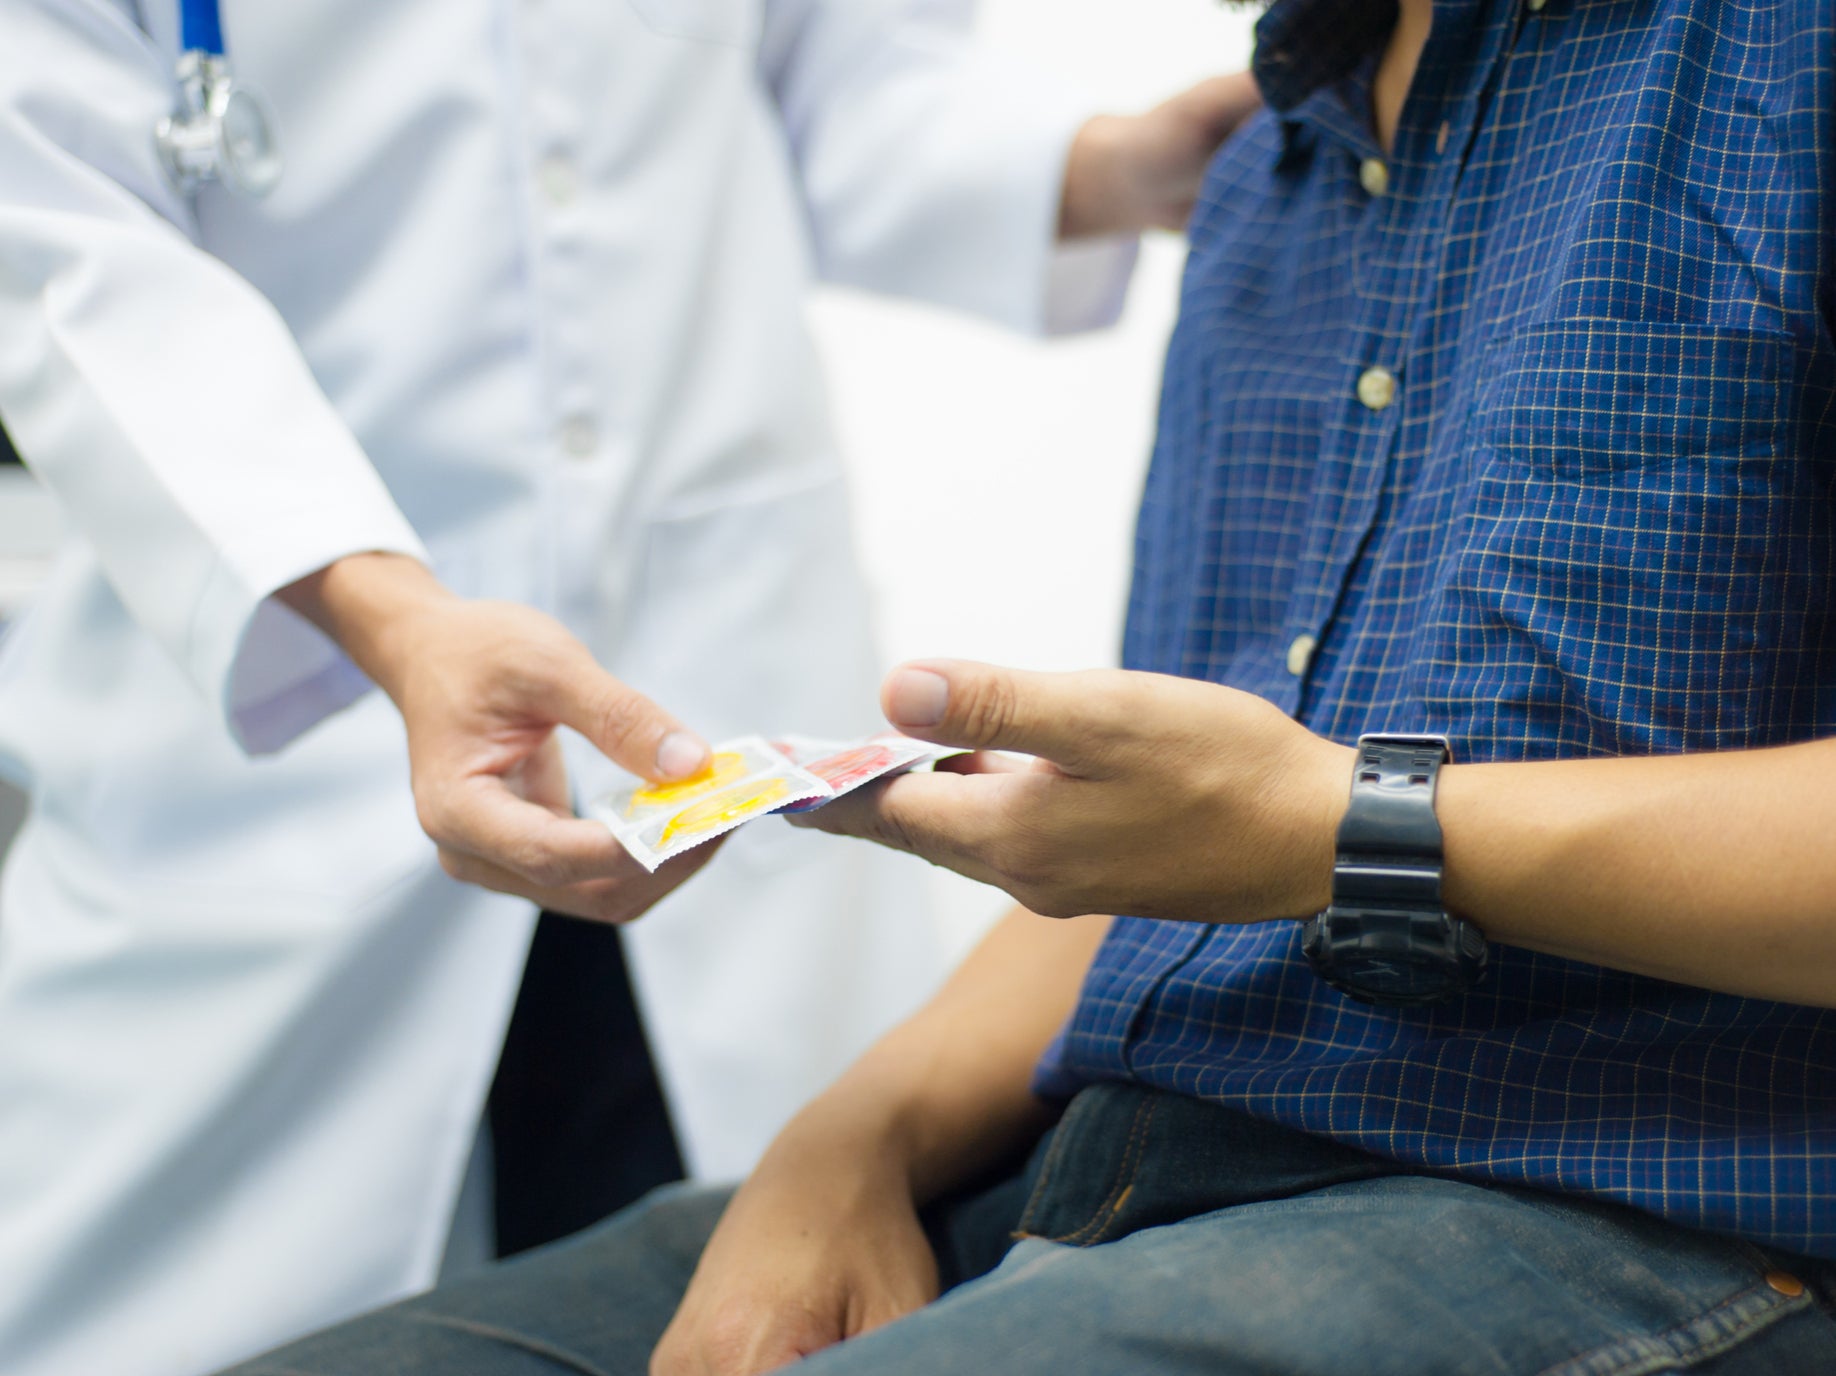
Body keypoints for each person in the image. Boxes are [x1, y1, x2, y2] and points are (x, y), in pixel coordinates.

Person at [210, 0, 1836, 1372]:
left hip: (1656, 1197)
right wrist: (853, 1139)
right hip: (1133, 1157)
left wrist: (1349, 828)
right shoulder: (1285, 156)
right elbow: (1181, 858)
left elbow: (1283, 829)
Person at [0, 0, 1258, 1370]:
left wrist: (1108, 166)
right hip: (283, 701)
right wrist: (391, 615)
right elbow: (62, 244)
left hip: (704, 699)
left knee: (725, 1297)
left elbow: (847, 84)